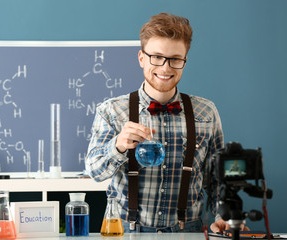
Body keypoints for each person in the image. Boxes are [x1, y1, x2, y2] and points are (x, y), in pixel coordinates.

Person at [85, 12, 248, 233]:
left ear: (184, 61)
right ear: (142, 58)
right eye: (157, 57)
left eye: (175, 59)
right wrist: (118, 145)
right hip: (127, 232)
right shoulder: (112, 110)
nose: (165, 67)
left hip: (187, 232)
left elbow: (218, 180)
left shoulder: (206, 112)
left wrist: (224, 216)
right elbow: (94, 172)